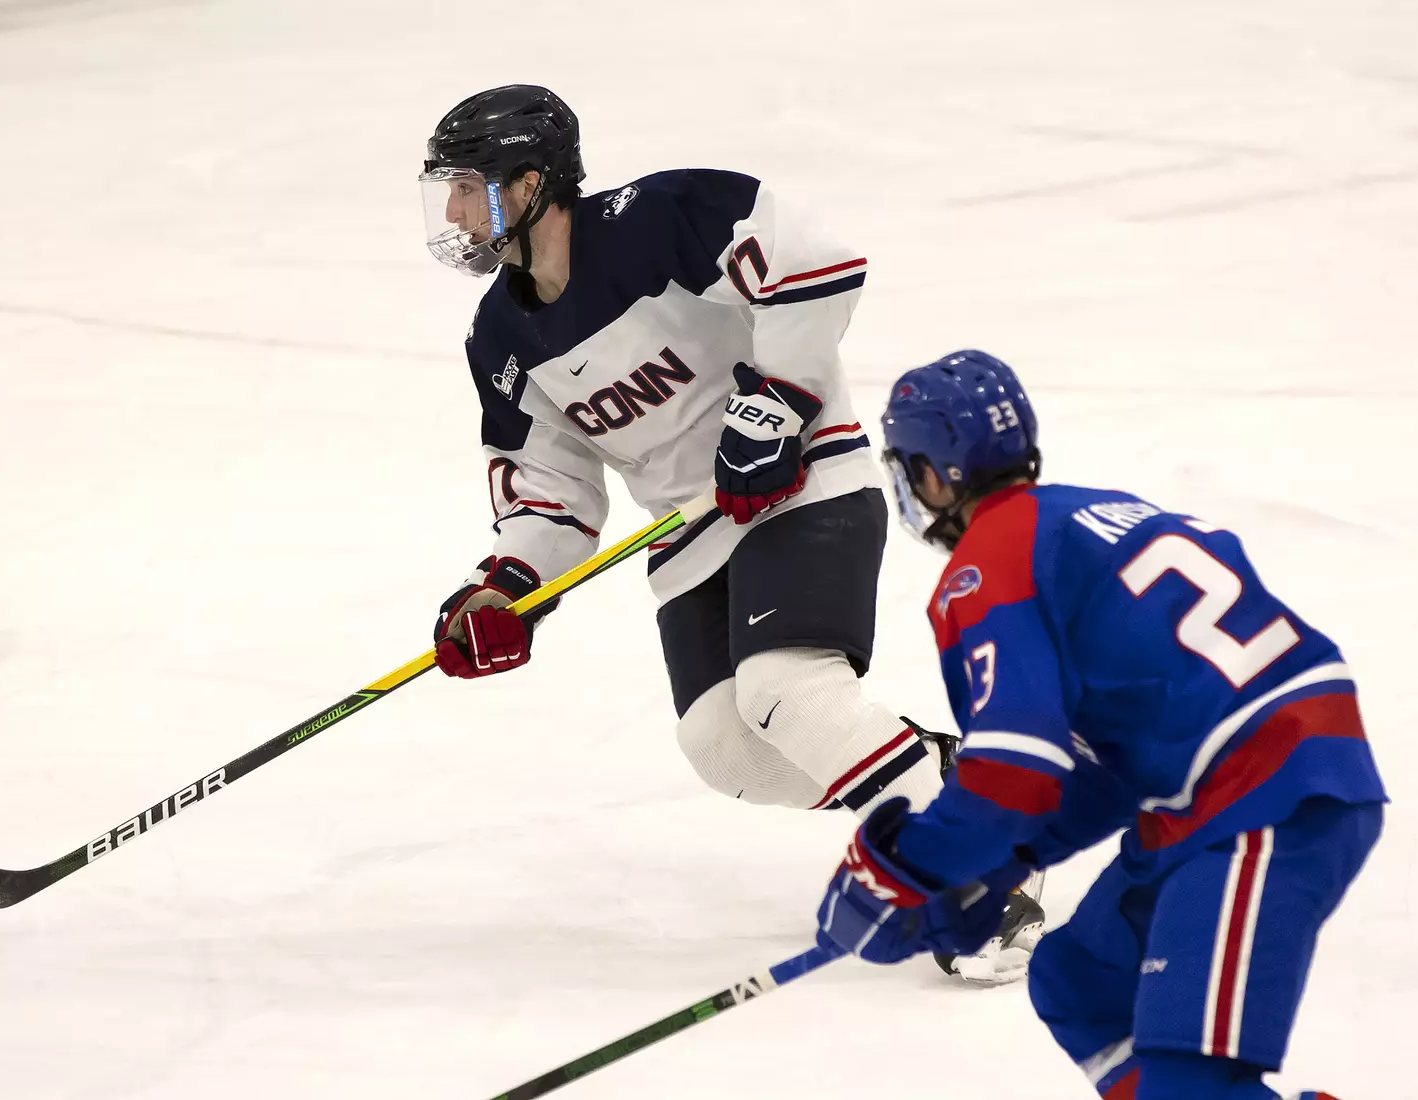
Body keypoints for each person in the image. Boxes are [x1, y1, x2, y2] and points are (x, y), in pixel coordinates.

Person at [417, 85, 1034, 983]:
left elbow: (816, 262)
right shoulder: (501, 337)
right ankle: (960, 779)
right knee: (729, 750)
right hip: (692, 535)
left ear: (533, 179)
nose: (454, 212)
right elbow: (550, 492)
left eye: (469, 187)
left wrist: (777, 404)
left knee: (788, 691)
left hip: (807, 483)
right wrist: (507, 590)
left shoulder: (659, 219)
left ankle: (985, 886)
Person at [814, 350, 1386, 1099]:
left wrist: (905, 869)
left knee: (1189, 1081)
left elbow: (1016, 764)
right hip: (1236, 776)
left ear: (938, 472)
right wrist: (1002, 860)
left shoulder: (986, 566)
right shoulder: (1091, 514)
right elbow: (1113, 758)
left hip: (1262, 791)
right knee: (1079, 980)